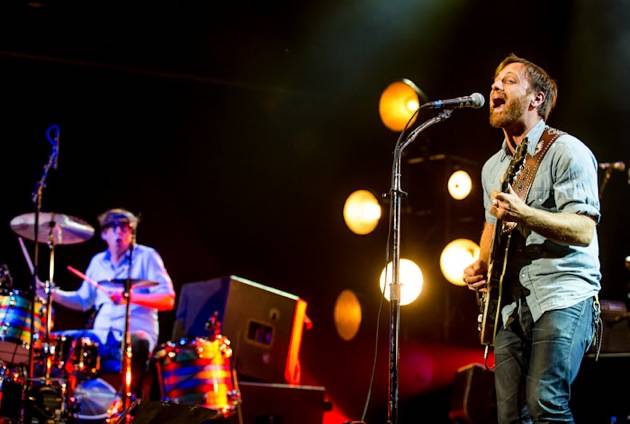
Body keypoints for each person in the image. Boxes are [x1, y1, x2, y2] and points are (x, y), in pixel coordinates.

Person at [463, 54, 601, 423]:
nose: (495, 86)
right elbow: (491, 226)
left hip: (561, 294)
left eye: (508, 81)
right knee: (509, 416)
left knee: (546, 403)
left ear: (536, 98)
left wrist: (526, 214)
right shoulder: (492, 168)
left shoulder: (567, 151)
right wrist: (481, 266)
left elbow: (584, 229)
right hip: (509, 304)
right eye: (495, 81)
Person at [47, 208, 175, 396]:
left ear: (132, 233)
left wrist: (129, 297)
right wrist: (52, 294)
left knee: (138, 341)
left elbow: (168, 299)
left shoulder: (147, 256)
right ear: (104, 234)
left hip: (134, 333)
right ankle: (63, 400)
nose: (119, 232)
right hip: (100, 335)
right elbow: (82, 301)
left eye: (124, 227)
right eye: (113, 227)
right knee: (55, 342)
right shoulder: (97, 261)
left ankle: (129, 400)